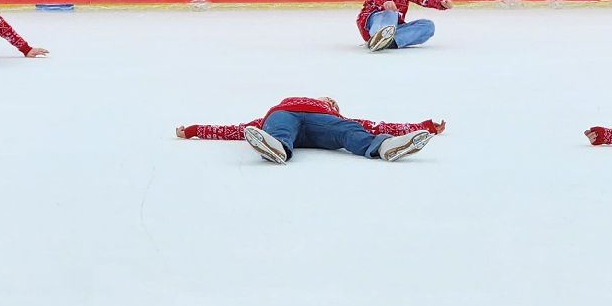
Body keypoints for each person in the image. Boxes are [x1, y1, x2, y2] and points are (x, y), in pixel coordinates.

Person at [178, 96, 444, 164]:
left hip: (322, 124)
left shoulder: (333, 113)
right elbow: (233, 130)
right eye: (329, 100)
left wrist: (425, 127)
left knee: (350, 131)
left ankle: (384, 147)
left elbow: (380, 125)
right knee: (279, 128)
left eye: (333, 102)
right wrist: (194, 129)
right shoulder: (284, 106)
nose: (330, 101)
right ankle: (277, 148)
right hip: (283, 117)